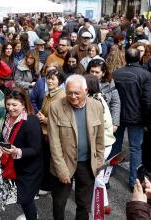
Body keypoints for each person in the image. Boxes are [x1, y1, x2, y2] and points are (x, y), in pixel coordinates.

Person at [48, 74, 104, 220]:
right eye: (69, 92)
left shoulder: (96, 106)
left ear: (86, 90)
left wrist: (98, 163)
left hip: (87, 164)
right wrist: (61, 170)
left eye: (76, 93)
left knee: (84, 204)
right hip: (63, 164)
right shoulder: (56, 107)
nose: (72, 96)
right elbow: (54, 142)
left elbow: (99, 139)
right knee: (59, 203)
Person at [0, 87, 42, 220]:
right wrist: (0, 146)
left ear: (23, 104)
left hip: (29, 168)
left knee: (25, 199)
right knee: (23, 198)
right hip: (14, 165)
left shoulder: (31, 122)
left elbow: (35, 149)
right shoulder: (8, 117)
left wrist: (16, 151)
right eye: (8, 104)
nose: (10, 108)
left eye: (14, 105)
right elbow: (5, 138)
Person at [111, 48, 151, 191]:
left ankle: (110, 172)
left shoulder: (116, 74)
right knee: (135, 148)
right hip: (137, 117)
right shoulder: (145, 75)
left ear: (126, 58)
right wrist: (148, 122)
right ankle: (133, 180)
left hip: (119, 116)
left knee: (116, 145)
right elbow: (147, 101)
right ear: (139, 58)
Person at [84, 74, 116, 210]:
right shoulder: (98, 97)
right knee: (98, 175)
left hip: (103, 143)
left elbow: (101, 123)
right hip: (105, 142)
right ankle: (103, 204)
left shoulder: (95, 101)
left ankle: (101, 206)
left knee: (96, 175)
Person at [36, 69, 66, 196]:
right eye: (48, 78)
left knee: (49, 160)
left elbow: (63, 118)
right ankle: (44, 183)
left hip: (52, 133)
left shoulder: (61, 96)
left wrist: (45, 119)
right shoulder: (48, 93)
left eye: (53, 79)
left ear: (59, 82)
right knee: (44, 159)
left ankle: (48, 186)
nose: (49, 81)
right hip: (44, 131)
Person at [87, 59, 120, 133]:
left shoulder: (110, 83)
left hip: (104, 120)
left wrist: (115, 123)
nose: (94, 74)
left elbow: (115, 103)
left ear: (103, 73)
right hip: (87, 120)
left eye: (97, 72)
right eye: (92, 71)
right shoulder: (83, 81)